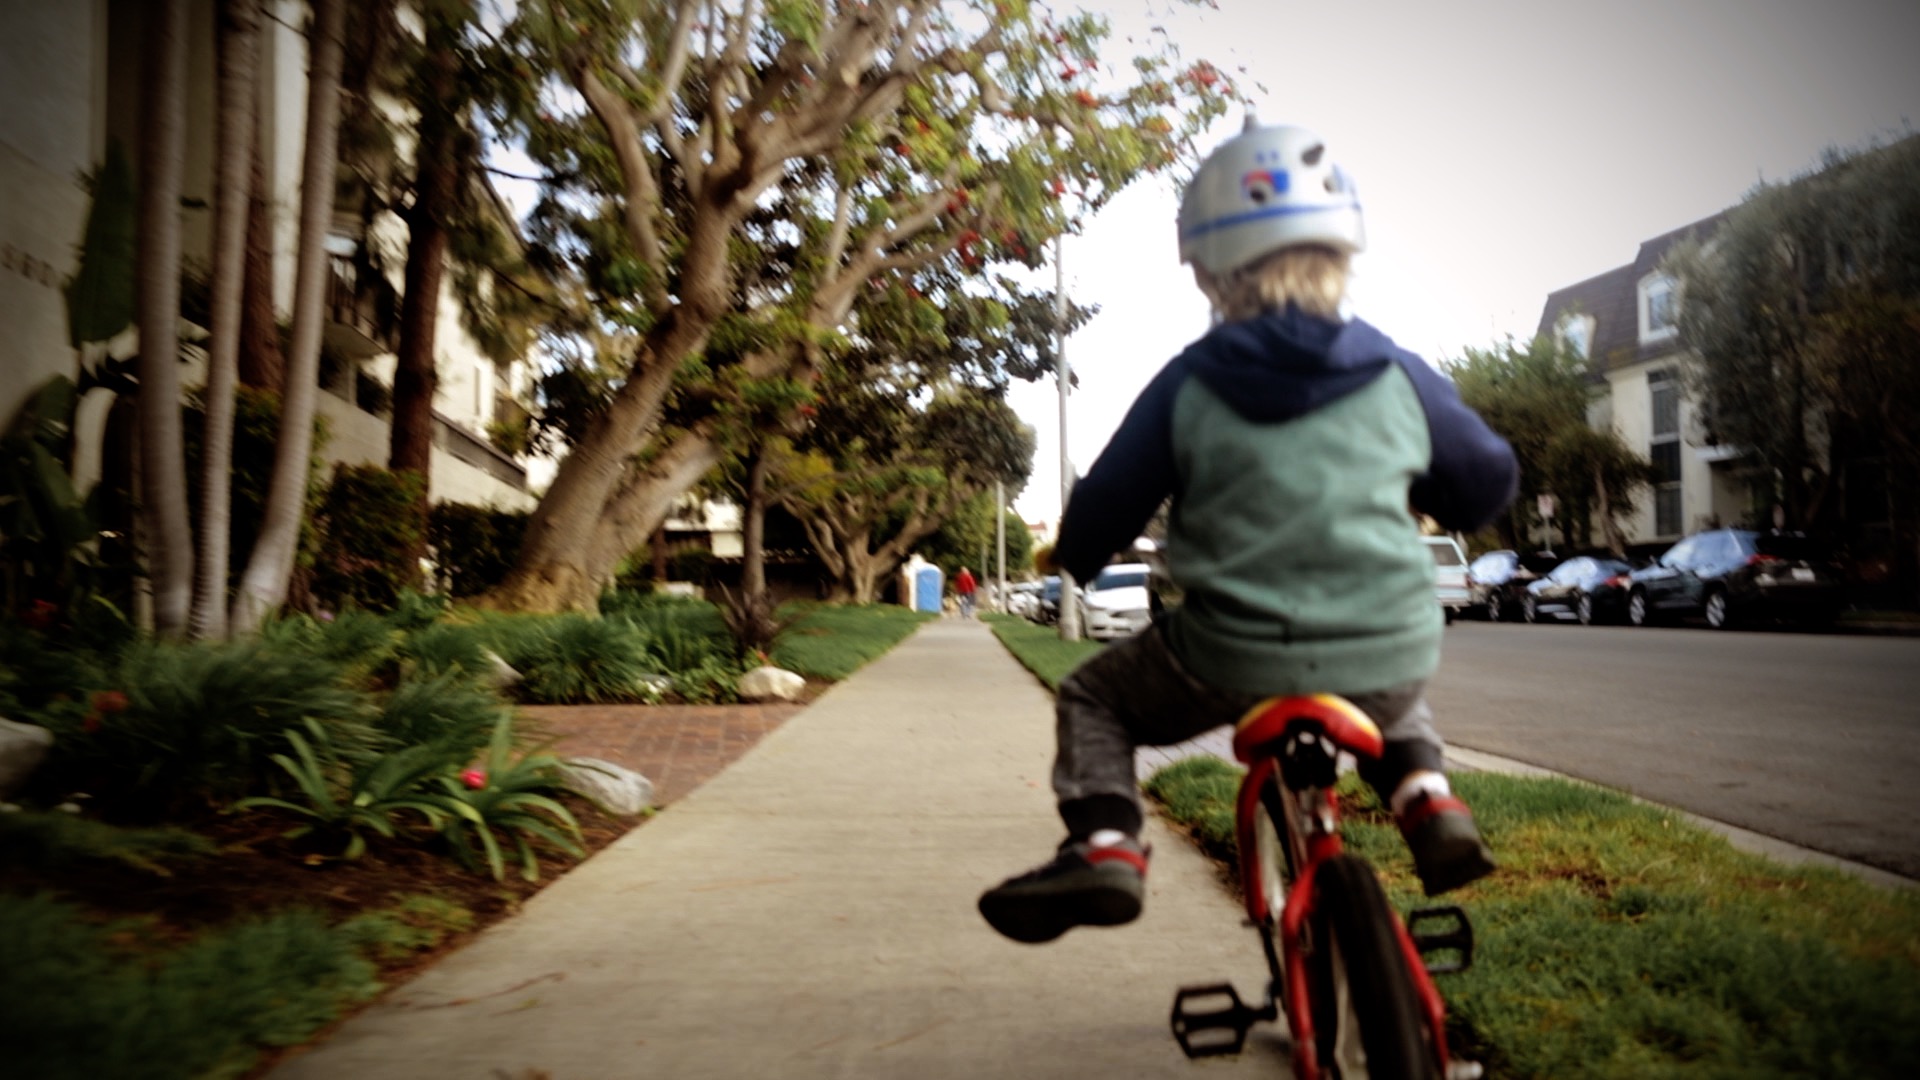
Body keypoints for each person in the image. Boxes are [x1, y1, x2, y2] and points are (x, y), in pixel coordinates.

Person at [978, 121, 1518, 945]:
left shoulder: (1190, 383)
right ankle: (1426, 799)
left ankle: (1106, 846)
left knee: (1093, 698)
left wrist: (1075, 557)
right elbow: (1484, 481)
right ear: (1344, 252)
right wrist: (1440, 495)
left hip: (1226, 654)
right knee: (1384, 675)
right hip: (1389, 646)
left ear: (1206, 270)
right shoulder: (1401, 373)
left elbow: (1112, 498)